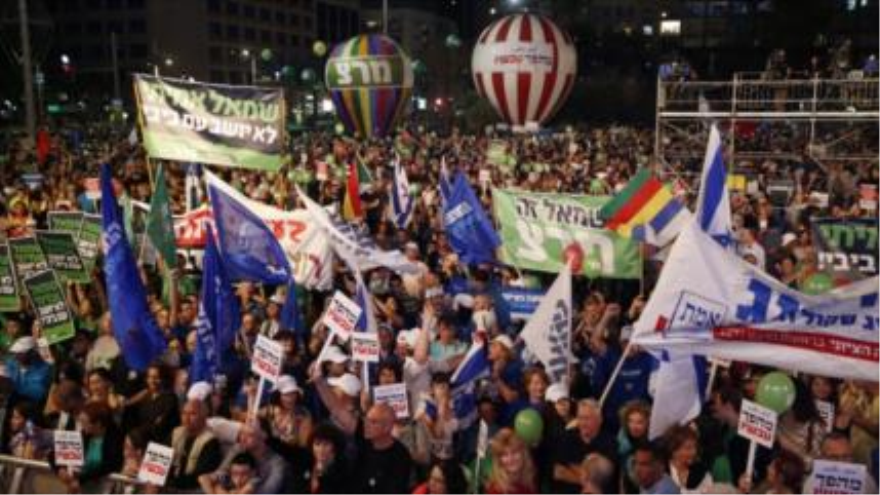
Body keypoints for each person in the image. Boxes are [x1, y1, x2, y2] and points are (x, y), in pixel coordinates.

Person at [200, 420, 288, 495]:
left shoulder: (277, 463)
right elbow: (215, 477)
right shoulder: (238, 448)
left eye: (249, 434)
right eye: (242, 433)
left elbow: (266, 493)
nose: (243, 438)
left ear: (264, 435)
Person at [54, 401, 124, 494]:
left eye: (85, 422)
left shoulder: (115, 439)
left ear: (98, 424)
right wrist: (60, 469)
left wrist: (81, 480)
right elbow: (55, 453)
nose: (82, 426)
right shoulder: (84, 435)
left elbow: (109, 465)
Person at [553, 399, 618, 495]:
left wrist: (570, 471)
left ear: (599, 419)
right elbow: (557, 472)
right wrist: (591, 477)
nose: (582, 423)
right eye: (580, 418)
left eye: (587, 418)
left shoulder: (610, 443)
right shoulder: (566, 438)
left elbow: (607, 480)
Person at [353, 403, 415, 495]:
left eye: (373, 422)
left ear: (387, 427)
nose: (366, 424)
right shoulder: (365, 442)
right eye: (366, 420)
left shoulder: (400, 456)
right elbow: (337, 410)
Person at [167, 399, 224, 490]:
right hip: (169, 483)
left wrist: (171, 483)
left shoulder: (211, 441)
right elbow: (160, 458)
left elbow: (200, 475)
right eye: (184, 413)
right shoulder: (176, 433)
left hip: (190, 489)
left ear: (204, 418)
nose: (186, 418)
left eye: (192, 414)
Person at [484, 428, 538, 495]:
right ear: (499, 460)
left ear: (523, 454)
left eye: (515, 452)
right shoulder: (496, 490)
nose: (511, 459)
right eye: (505, 455)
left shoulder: (528, 482)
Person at [661, 425, 713, 493]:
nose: (694, 452)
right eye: (688, 448)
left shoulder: (701, 472)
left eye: (695, 447)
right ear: (673, 450)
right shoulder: (661, 472)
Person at [5, 336, 52, 404]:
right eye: (15, 352)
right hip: (13, 398)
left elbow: (38, 394)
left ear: (32, 353)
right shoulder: (11, 362)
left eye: (20, 353)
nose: (16, 356)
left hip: (31, 403)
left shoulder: (45, 370)